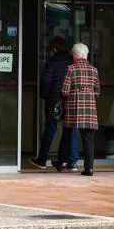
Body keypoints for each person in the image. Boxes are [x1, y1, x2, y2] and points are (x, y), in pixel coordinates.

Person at [29, 36, 78, 171]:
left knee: (50, 128)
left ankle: (42, 160)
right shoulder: (71, 62)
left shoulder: (52, 61)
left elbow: (46, 79)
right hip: (68, 100)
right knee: (71, 130)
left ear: (54, 49)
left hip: (54, 100)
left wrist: (44, 95)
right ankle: (72, 162)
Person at [58, 43, 101, 176]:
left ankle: (61, 162)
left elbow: (65, 91)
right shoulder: (94, 70)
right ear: (86, 55)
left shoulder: (71, 69)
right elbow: (98, 92)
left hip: (73, 106)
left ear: (75, 56)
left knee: (67, 133)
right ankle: (89, 168)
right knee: (88, 138)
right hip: (89, 107)